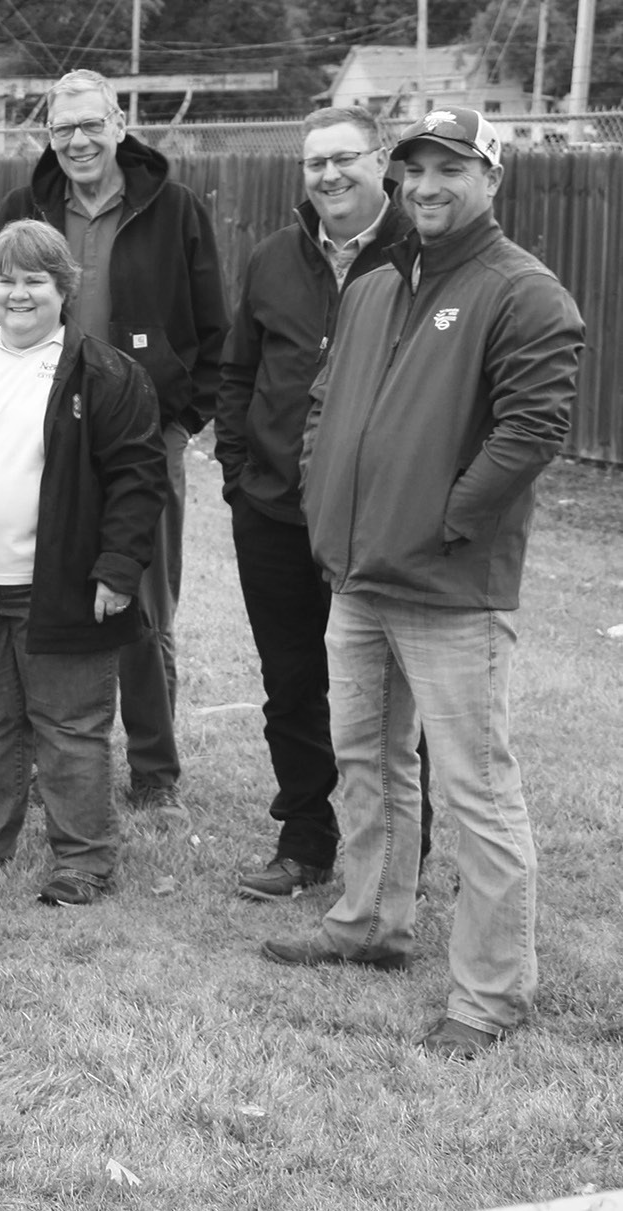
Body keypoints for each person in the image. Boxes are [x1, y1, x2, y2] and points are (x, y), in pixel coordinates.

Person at [262, 109, 584, 1060]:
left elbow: (532, 429)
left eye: (451, 168)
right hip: (357, 577)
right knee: (367, 762)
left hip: (451, 587)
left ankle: (489, 994)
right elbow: (325, 408)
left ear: (492, 176)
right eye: (414, 171)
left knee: (478, 791)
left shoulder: (524, 292)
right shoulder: (375, 285)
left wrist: (447, 521)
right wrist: (329, 506)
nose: (428, 186)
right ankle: (369, 921)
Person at [0, 69, 226, 830]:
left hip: (141, 435)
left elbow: (212, 325)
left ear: (118, 123)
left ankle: (154, 769)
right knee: (50, 596)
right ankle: (59, 761)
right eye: (61, 127)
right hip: (41, 434)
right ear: (48, 135)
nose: (76, 140)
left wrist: (180, 416)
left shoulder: (170, 208)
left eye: (89, 124)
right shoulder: (24, 209)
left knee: (140, 599)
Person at [0, 220, 166, 906]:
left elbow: (138, 478)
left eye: (34, 280)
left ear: (63, 289)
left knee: (70, 726)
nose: (18, 293)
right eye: (5, 279)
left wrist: (116, 570)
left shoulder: (104, 373)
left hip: (62, 588)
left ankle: (83, 859)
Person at [216, 106, 436, 903]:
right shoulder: (275, 257)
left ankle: (402, 849)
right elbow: (237, 371)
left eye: (344, 158)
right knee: (293, 681)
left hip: (380, 517)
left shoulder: (424, 253)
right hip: (273, 512)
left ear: (383, 163)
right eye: (314, 163)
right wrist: (239, 474)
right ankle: (306, 838)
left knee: (390, 689)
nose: (329, 175)